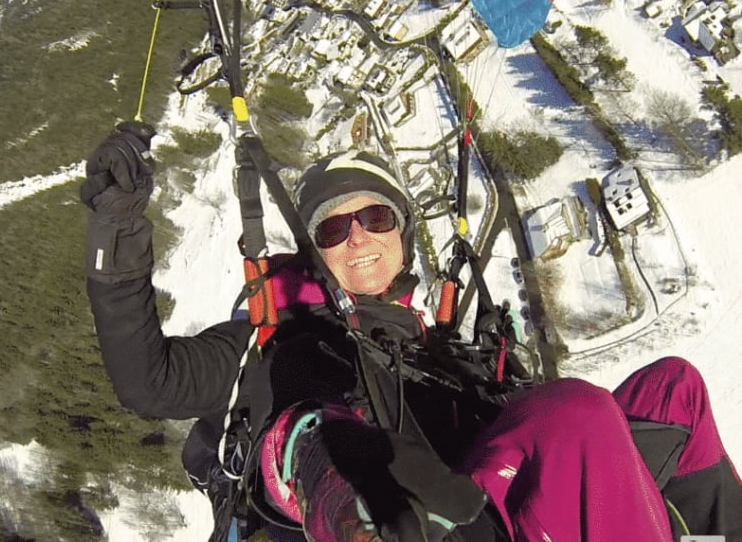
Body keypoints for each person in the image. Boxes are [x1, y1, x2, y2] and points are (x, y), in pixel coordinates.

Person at [81, 122, 742, 541]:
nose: (359, 236)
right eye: (335, 229)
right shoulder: (280, 340)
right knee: (573, 413)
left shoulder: (434, 334)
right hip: (443, 517)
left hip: (508, 485)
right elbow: (150, 381)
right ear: (316, 256)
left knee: (673, 389)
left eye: (374, 216)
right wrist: (118, 232)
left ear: (403, 233)